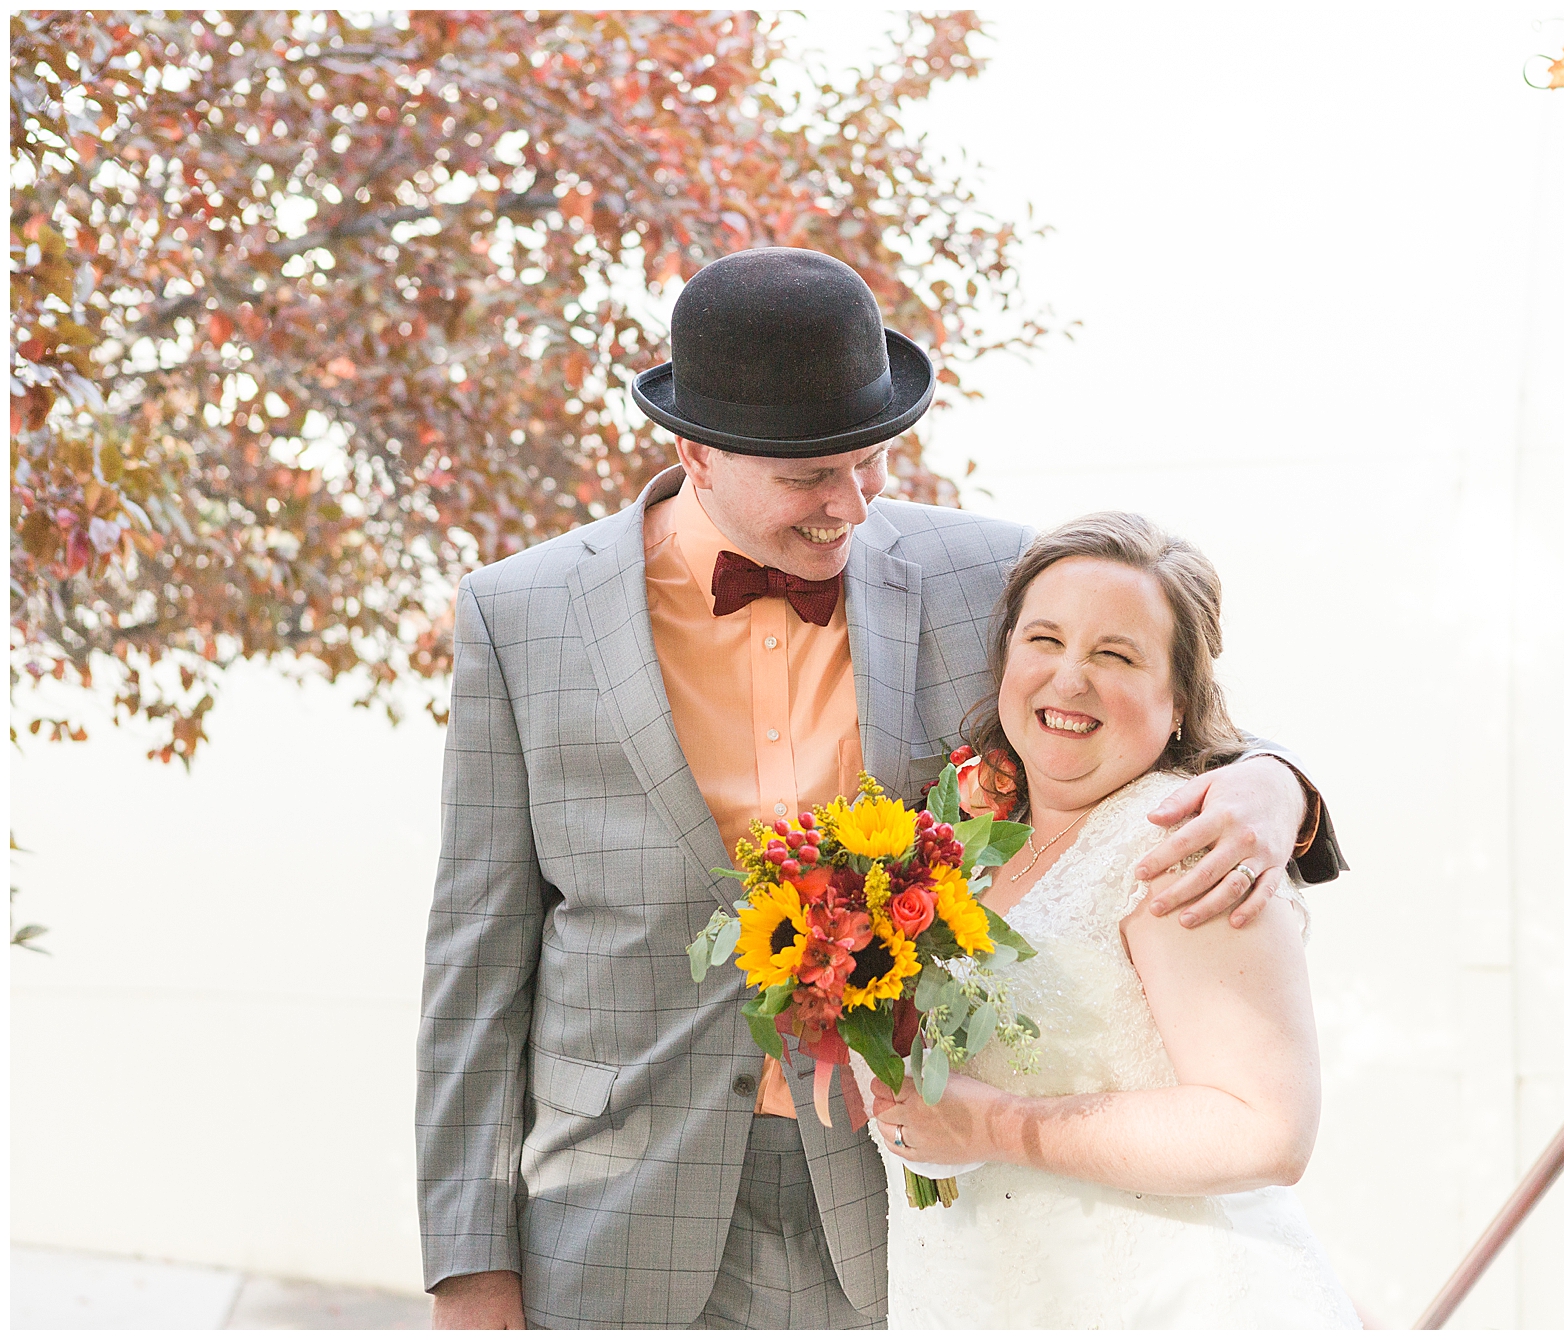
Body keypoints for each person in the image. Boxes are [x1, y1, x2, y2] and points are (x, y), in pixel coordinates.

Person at [415, 247, 1346, 1329]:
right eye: (810, 477)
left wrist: (1274, 782)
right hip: (615, 1204)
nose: (849, 507)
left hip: (906, 1196)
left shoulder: (979, 573)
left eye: (871, 463)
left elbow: (1144, 685)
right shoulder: (518, 614)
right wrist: (469, 1268)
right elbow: (475, 957)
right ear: (697, 452)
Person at [867, 512, 1360, 1329]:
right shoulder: (976, 850)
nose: (1068, 679)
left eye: (1116, 655)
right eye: (1045, 641)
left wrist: (995, 1124)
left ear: (1179, 703)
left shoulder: (1183, 845)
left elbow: (1265, 1132)